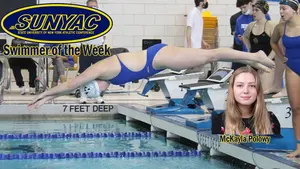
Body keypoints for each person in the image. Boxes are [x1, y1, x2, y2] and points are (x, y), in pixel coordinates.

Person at [28, 43, 275, 109]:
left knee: (208, 56)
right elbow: (73, 88)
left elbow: (73, 83)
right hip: (157, 62)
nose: (101, 91)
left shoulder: (99, 70)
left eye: (97, 91)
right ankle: (256, 62)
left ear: (95, 84)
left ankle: (255, 55)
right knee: (207, 58)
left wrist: (46, 94)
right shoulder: (107, 79)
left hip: (157, 57)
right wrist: (49, 99)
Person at [212, 66, 280, 135]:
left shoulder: (271, 119)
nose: (246, 91)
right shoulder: (219, 121)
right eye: (240, 85)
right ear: (232, 90)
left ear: (258, 90)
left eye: (252, 86)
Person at [270, 0, 300, 158]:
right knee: (296, 109)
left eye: (284, 8)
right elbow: (273, 42)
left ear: (295, 9)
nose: (281, 12)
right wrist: (282, 57)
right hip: (292, 69)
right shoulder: (281, 27)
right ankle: (299, 147)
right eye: (280, 9)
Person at [242, 0, 276, 91]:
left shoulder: (271, 25)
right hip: (253, 63)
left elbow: (277, 46)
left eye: (257, 10)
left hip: (268, 63)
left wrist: (266, 61)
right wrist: (249, 49)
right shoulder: (251, 26)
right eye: (253, 10)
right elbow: (245, 37)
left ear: (264, 11)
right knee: (252, 92)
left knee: (263, 93)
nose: (253, 12)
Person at [78, 0, 106, 104]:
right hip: (85, 49)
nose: (93, 9)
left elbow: (104, 35)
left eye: (95, 6)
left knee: (99, 73)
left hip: (97, 49)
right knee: (83, 73)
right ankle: (83, 95)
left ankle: (97, 95)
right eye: (91, 7)